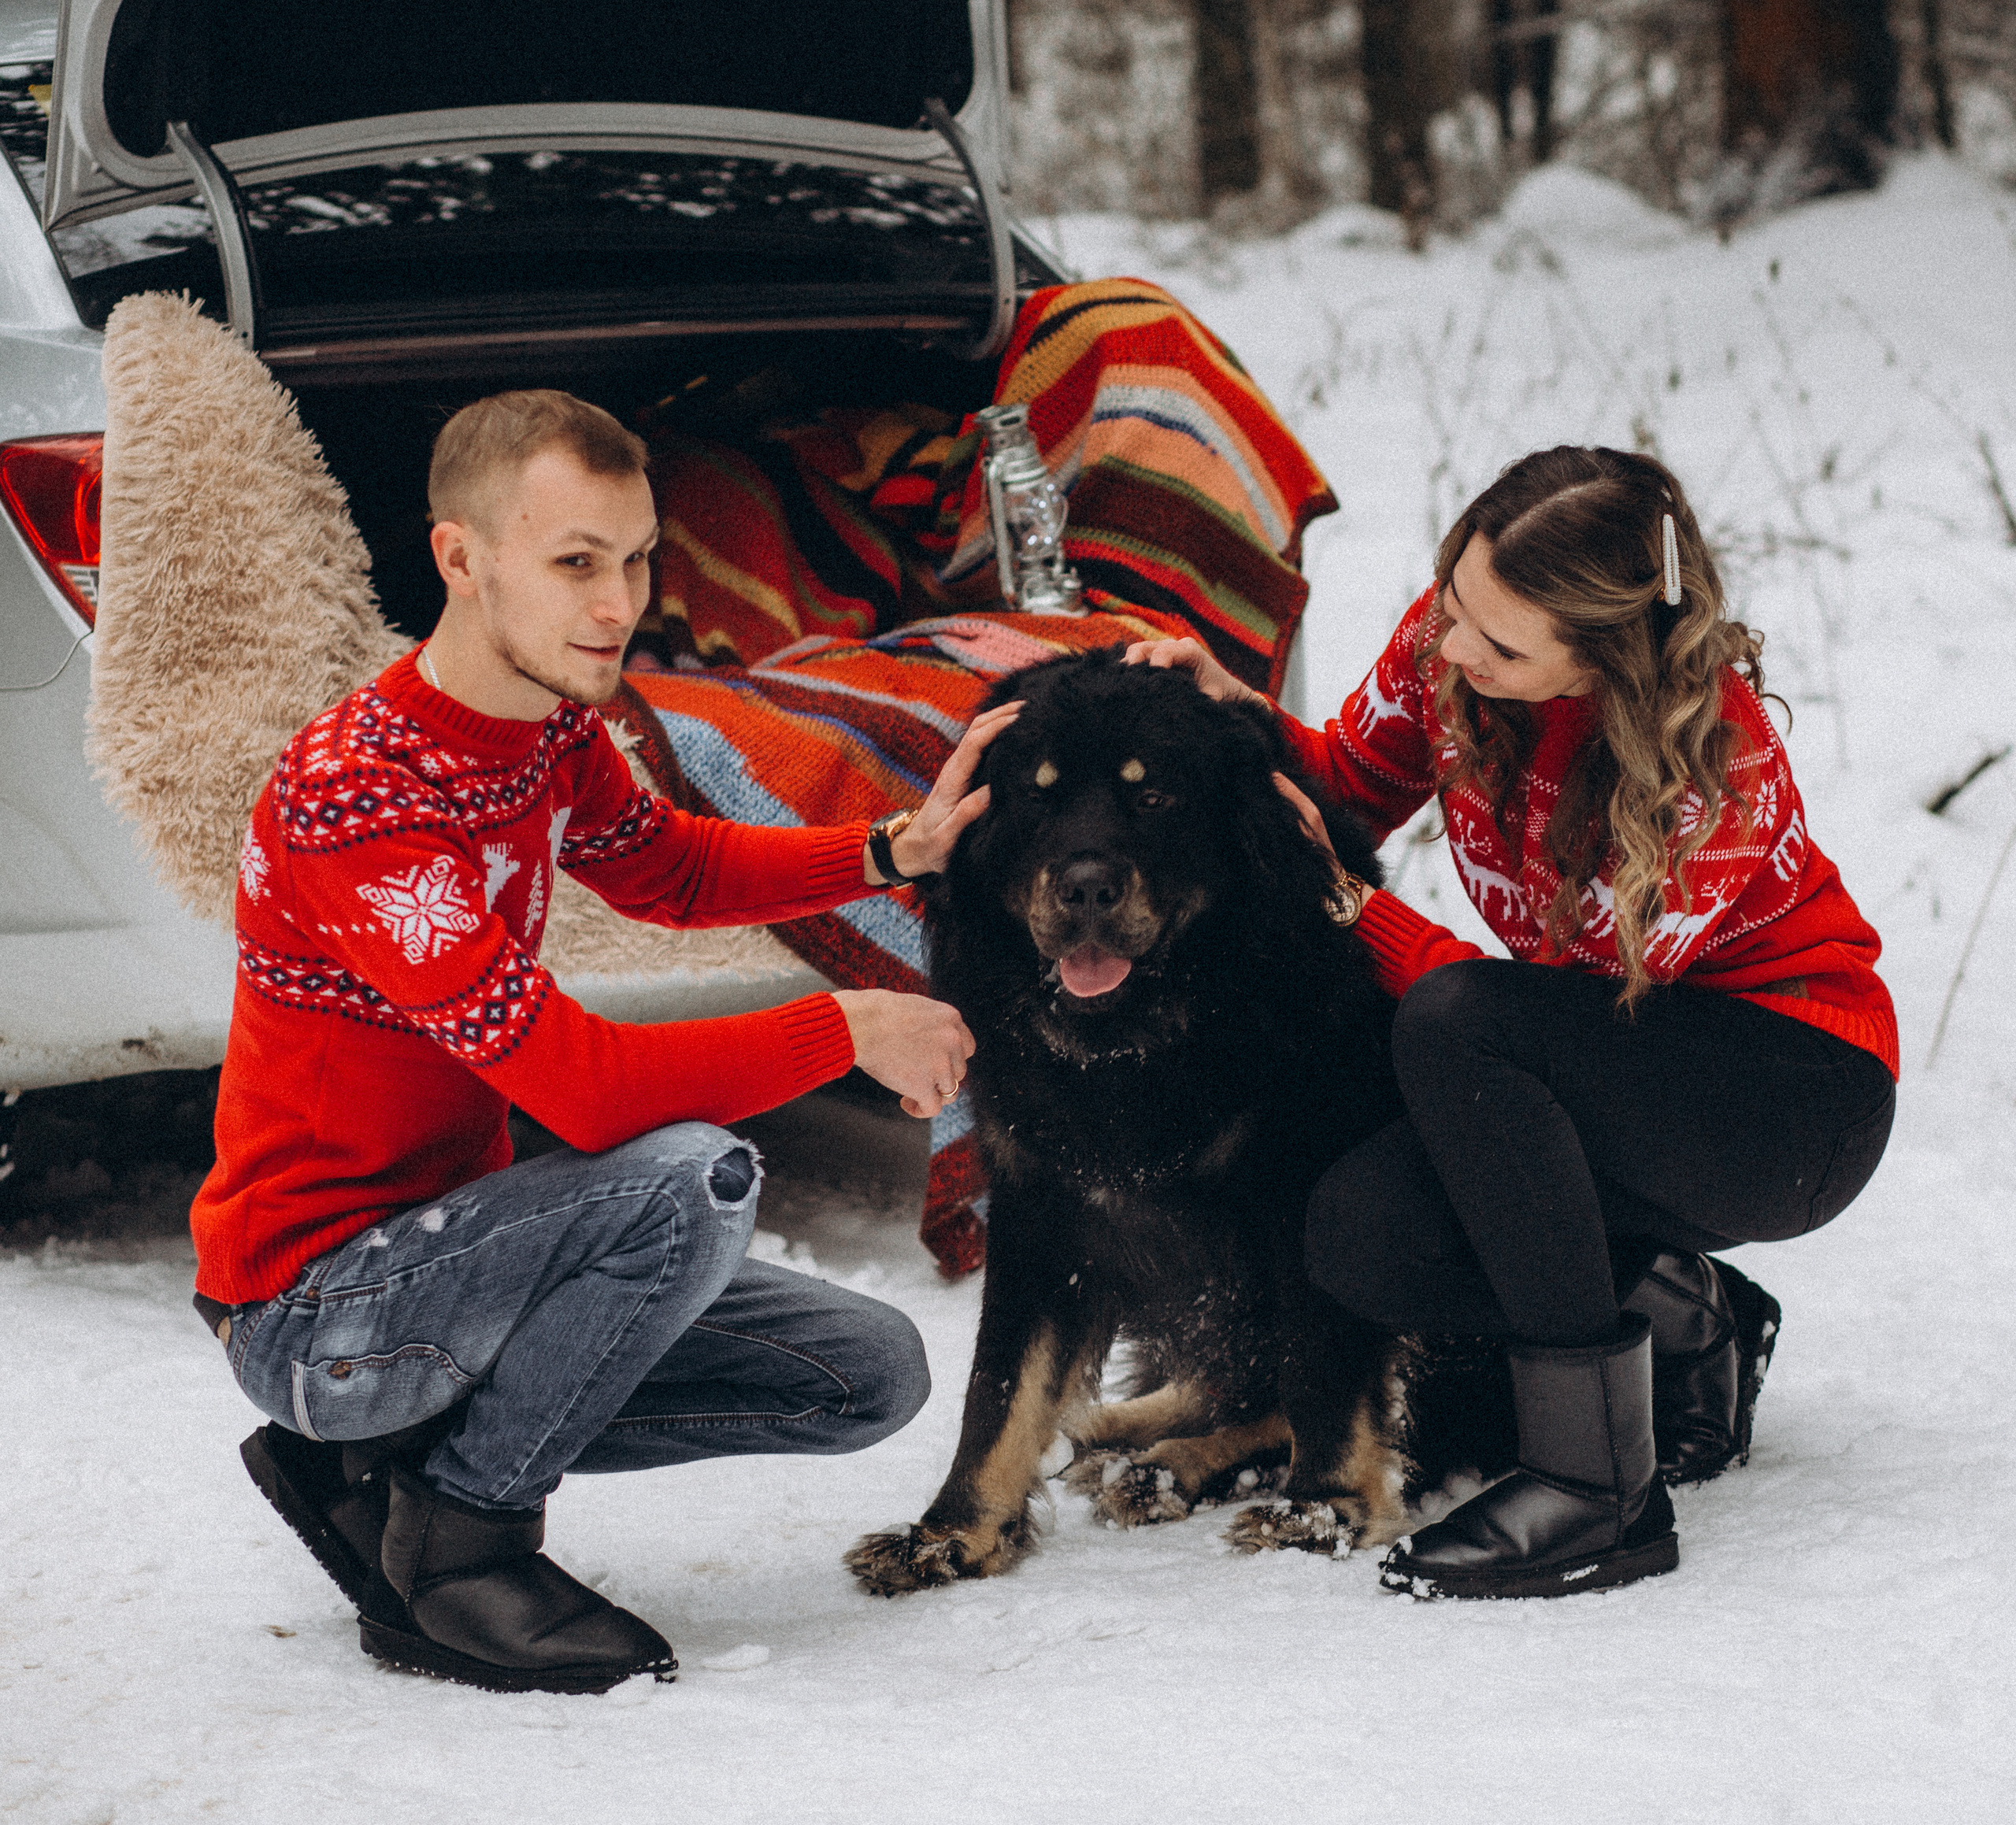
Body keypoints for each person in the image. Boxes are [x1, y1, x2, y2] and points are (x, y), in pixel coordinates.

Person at [191, 390, 1017, 1692]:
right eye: (575, 562)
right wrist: (843, 1026)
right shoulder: (362, 794)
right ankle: (458, 1553)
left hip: (466, 1252)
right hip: (316, 1307)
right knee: (687, 1177)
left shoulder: (550, 726)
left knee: (865, 1374)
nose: (618, 601)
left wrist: (883, 849)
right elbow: (582, 1086)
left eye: (636, 561)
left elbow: (669, 869)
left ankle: (385, 1467)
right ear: (462, 559)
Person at [1128, 445, 1896, 1601]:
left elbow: (1539, 1016)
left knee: (1453, 1018)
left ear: (1603, 656)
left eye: (1499, 644)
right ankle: (1683, 1319)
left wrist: (1351, 909)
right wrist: (1235, 717)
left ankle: (1599, 1488)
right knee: (1361, 1235)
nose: (1454, 649)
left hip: (1791, 1095)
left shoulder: (1706, 763)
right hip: (1609, 1070)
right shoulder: (1459, 643)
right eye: (1453, 608)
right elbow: (1349, 781)